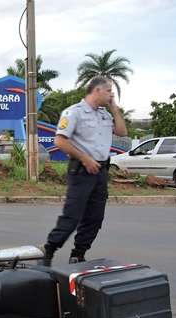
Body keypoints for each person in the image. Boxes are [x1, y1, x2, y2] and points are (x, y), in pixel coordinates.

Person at [42, 76, 127, 266]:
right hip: (81, 170)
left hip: (101, 171)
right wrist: (84, 158)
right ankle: (48, 251)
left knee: (95, 217)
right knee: (72, 216)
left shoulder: (105, 114)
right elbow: (60, 141)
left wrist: (114, 109)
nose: (111, 94)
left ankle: (78, 254)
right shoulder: (74, 113)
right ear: (97, 90)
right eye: (108, 91)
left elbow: (122, 132)